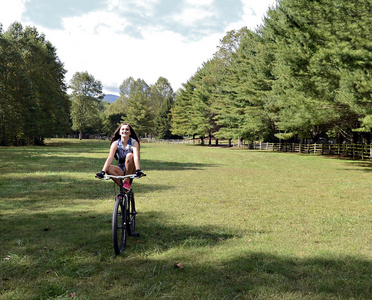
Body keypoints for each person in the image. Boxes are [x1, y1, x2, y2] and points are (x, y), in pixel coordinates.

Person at [95, 123, 144, 189]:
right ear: (119, 132)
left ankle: (127, 181)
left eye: (127, 129)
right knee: (108, 168)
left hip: (132, 168)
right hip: (121, 167)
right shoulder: (115, 143)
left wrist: (138, 170)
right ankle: (123, 188)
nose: (124, 131)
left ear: (130, 132)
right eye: (122, 129)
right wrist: (102, 172)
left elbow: (136, 157)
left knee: (129, 155)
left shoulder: (134, 142)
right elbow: (110, 158)